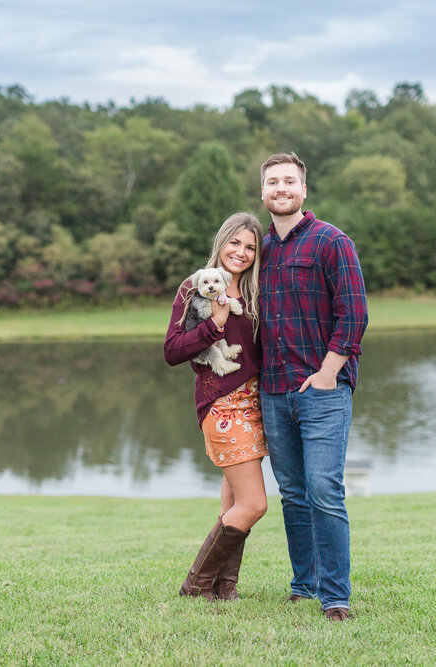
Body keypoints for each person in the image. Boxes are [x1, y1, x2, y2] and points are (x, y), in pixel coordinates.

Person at [257, 152, 368, 621]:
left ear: (304, 190)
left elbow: (354, 313)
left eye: (289, 181)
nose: (280, 189)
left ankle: (335, 596)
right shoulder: (259, 250)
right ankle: (304, 584)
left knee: (324, 489)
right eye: (272, 182)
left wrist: (327, 373)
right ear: (263, 194)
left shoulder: (330, 242)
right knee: (294, 493)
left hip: (322, 391)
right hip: (274, 390)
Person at [164, 212, 269, 601]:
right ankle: (196, 586)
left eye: (250, 247)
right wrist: (216, 324)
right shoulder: (194, 288)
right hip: (222, 405)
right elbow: (172, 352)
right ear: (221, 242)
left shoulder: (259, 291)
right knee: (255, 504)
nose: (240, 253)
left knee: (235, 504)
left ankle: (225, 588)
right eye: (234, 243)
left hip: (260, 404)